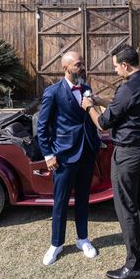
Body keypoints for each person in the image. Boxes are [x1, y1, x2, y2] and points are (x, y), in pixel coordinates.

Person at [81, 45, 140, 279]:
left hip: (128, 155)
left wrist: (89, 107)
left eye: (116, 66)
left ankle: (134, 265)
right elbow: (122, 105)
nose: (115, 71)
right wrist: (99, 99)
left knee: (126, 208)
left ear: (125, 65)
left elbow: (104, 123)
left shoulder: (127, 88)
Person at [36, 51, 101, 266]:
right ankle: (56, 244)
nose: (82, 67)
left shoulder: (86, 89)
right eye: (78, 64)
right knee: (61, 201)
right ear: (66, 68)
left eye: (82, 63)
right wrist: (48, 154)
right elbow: (42, 126)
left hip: (87, 153)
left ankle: (83, 239)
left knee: (84, 198)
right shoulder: (53, 92)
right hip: (63, 155)